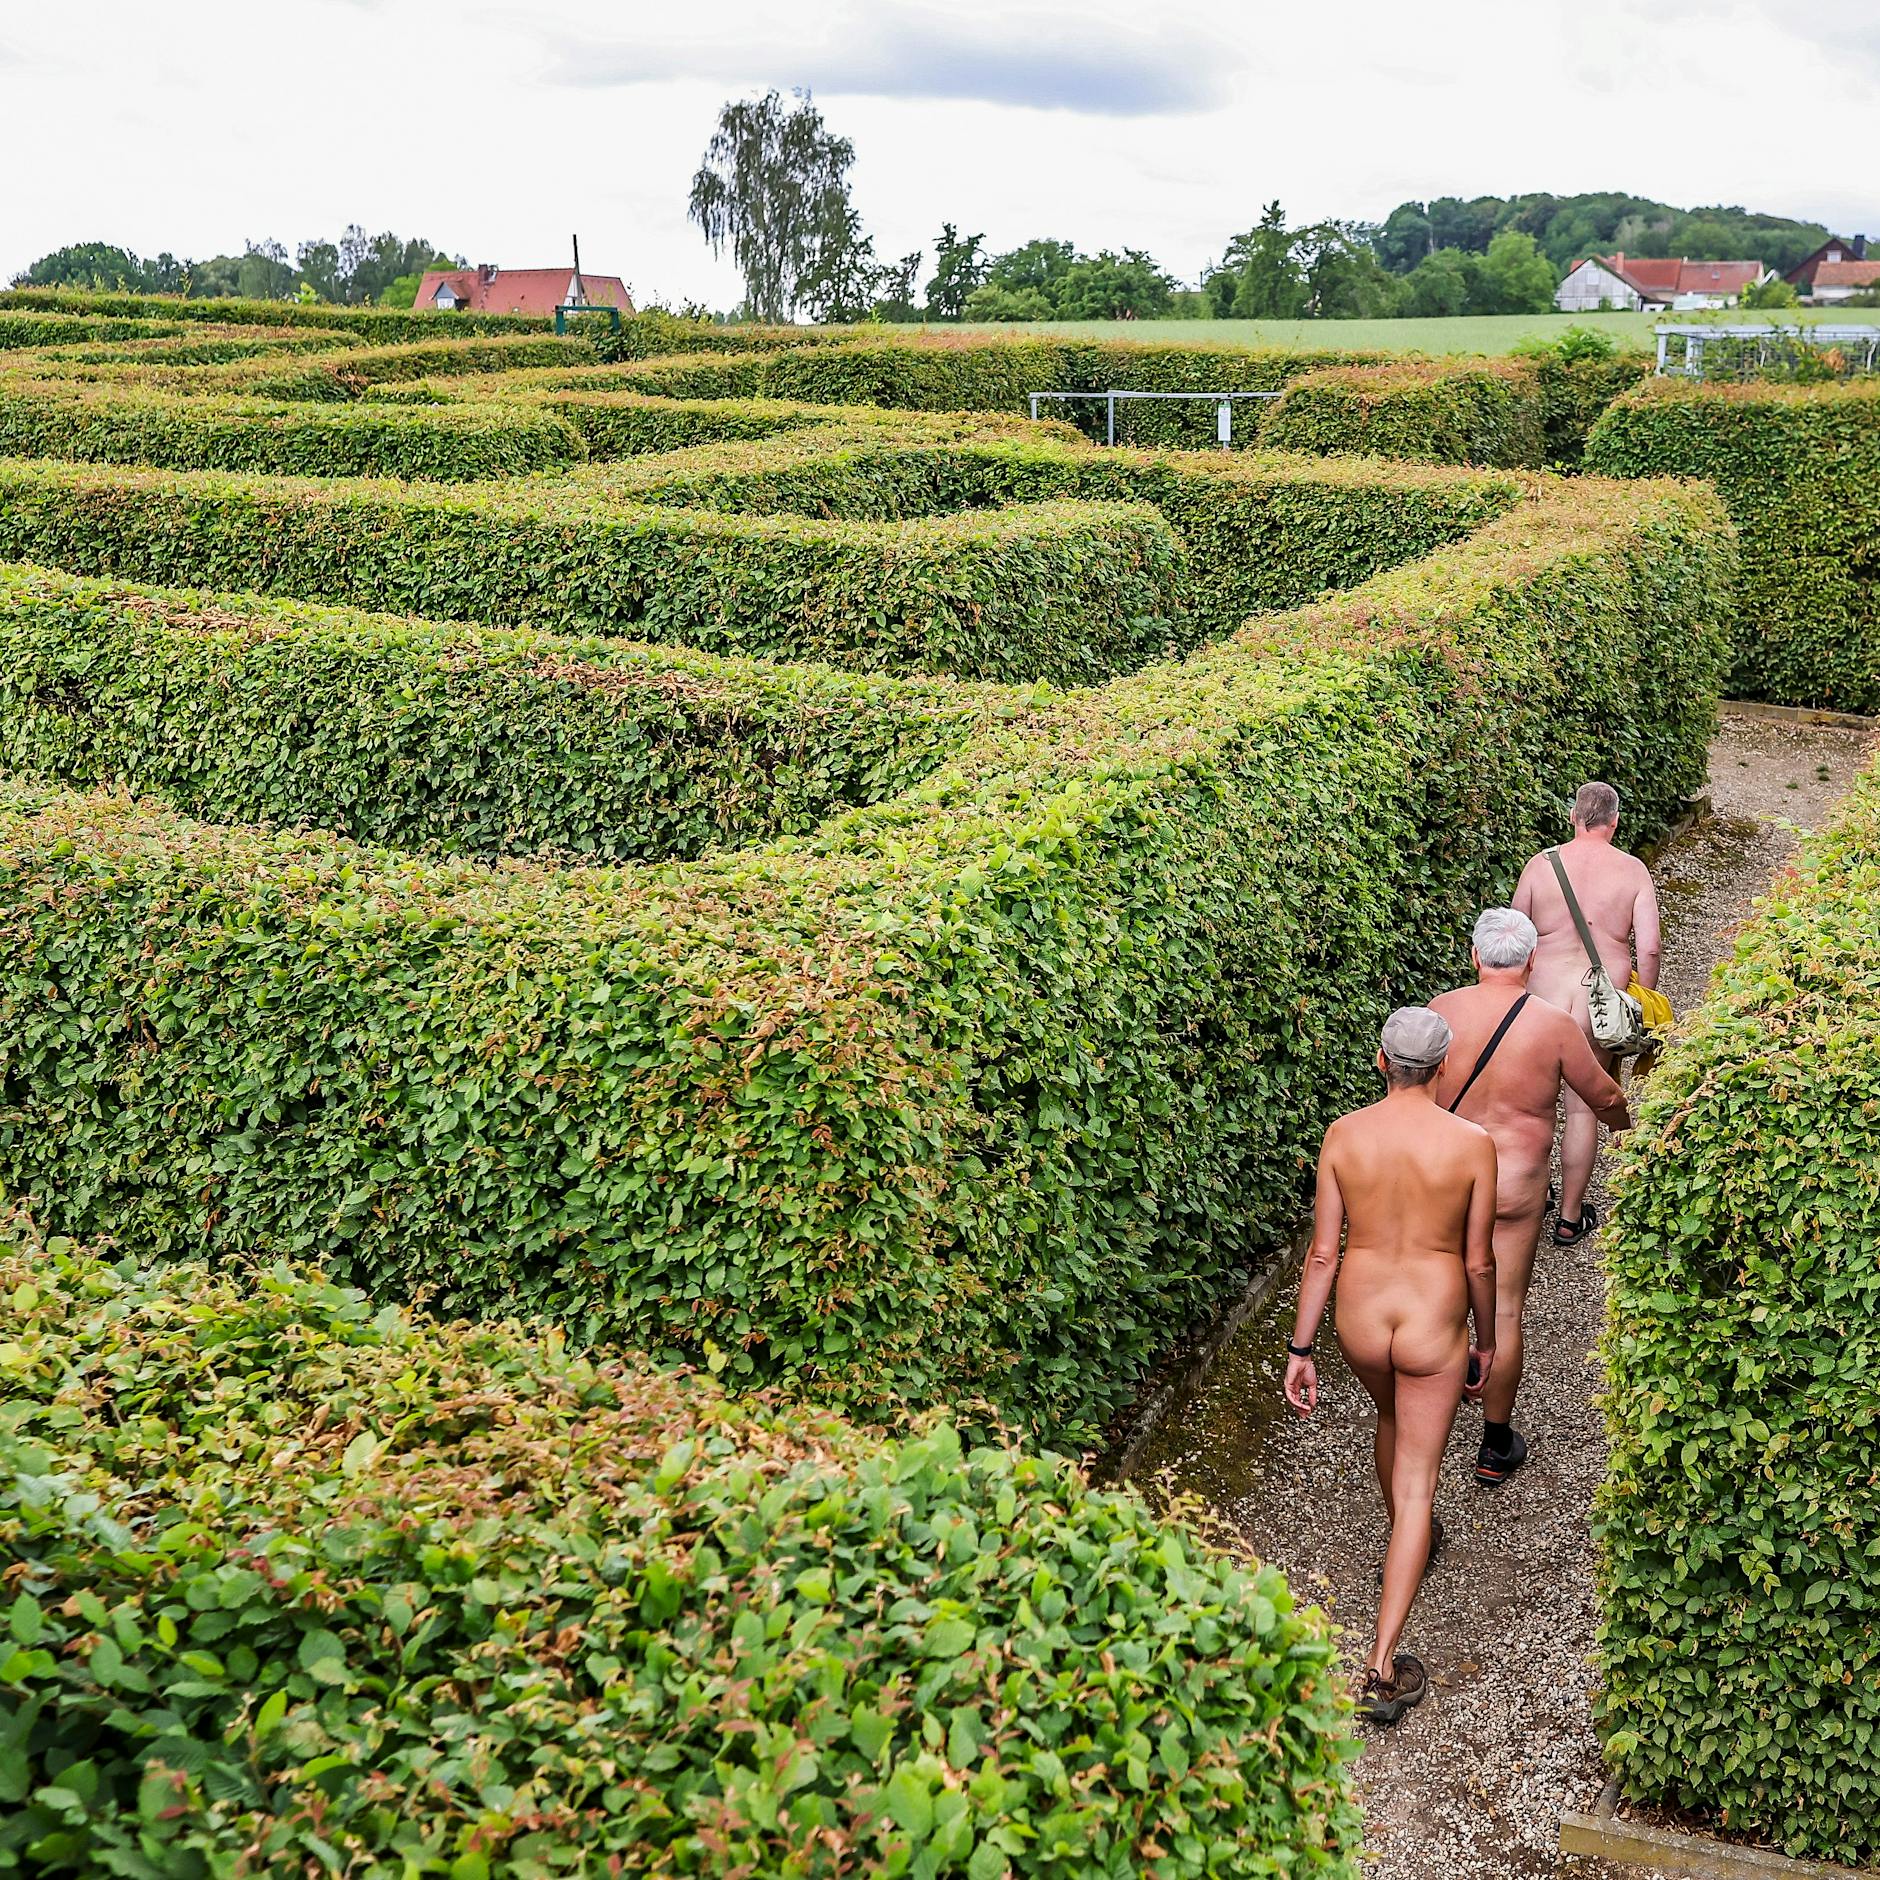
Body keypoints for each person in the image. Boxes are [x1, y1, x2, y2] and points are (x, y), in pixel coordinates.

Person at [1284, 1007, 1497, 1727]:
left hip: (1362, 1319)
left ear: (1381, 1061)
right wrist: (1487, 1342)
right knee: (1418, 1480)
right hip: (1433, 1320)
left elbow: (1323, 1253)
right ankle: (1380, 1666)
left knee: (1388, 1414)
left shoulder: (1343, 1134)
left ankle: (1409, 1536)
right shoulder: (1472, 1144)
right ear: (1445, 1066)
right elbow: (1479, 1261)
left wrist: (1301, 1349)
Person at [1429, 908, 1630, 1485]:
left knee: (1444, 1300)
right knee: (1505, 1309)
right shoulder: (1553, 1025)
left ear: (1475, 956)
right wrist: (1630, 1125)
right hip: (1513, 1185)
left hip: (1448, 1176)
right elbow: (1603, 1097)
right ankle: (1495, 1445)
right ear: (1532, 961)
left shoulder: (1441, 1012)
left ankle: (1430, 1419)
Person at [1512, 781, 1661, 1247]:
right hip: (1599, 1004)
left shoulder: (1540, 865)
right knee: (1581, 1110)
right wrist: (1640, 1000)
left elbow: (1515, 936)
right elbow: (1649, 948)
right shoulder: (1632, 871)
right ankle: (1570, 1218)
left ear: (1573, 817)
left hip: (1541, 999)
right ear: (1614, 821)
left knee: (1533, 1104)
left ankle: (1532, 1196)